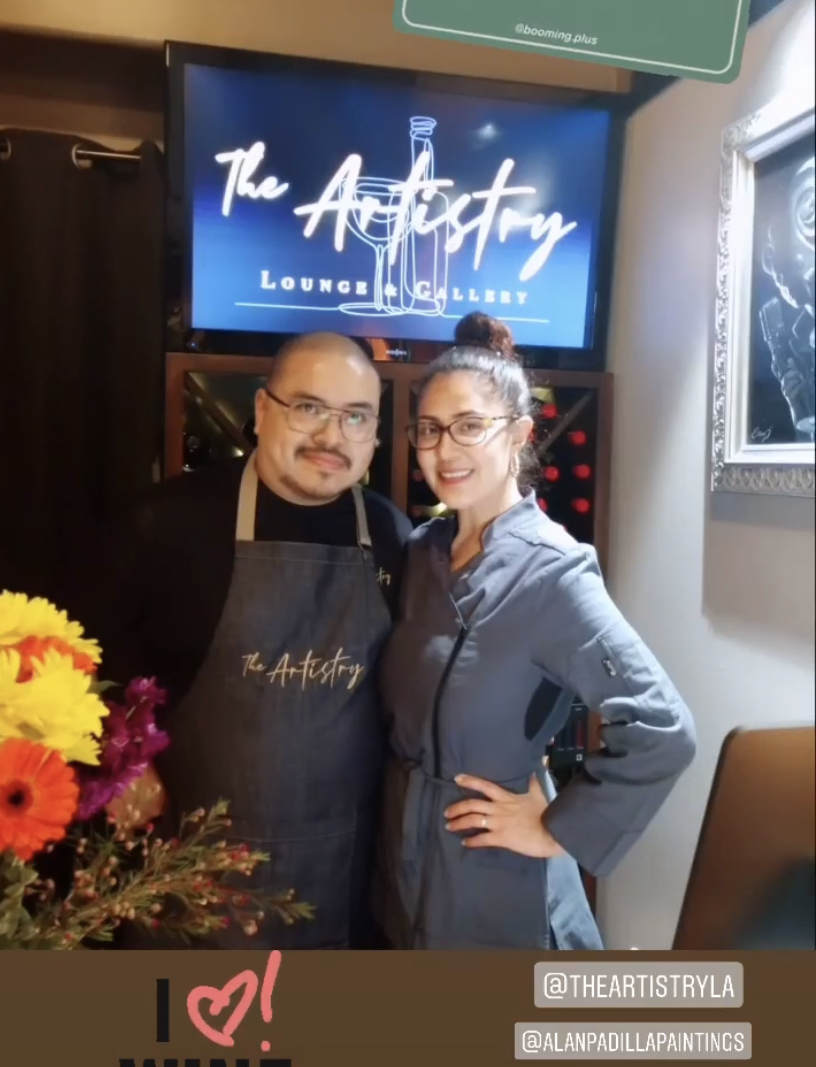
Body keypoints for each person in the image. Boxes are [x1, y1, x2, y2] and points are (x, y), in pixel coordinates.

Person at [69, 332, 411, 949]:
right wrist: (121, 765)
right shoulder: (162, 526)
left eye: (355, 417)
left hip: (343, 881)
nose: (331, 436)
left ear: (375, 434)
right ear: (262, 409)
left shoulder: (393, 536)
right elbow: (76, 665)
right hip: (188, 878)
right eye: (308, 407)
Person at [374, 313, 696, 950]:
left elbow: (662, 728)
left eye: (470, 426)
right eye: (430, 429)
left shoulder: (554, 572)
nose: (445, 450)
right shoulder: (421, 552)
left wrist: (557, 828)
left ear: (519, 434)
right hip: (404, 866)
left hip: (497, 879)